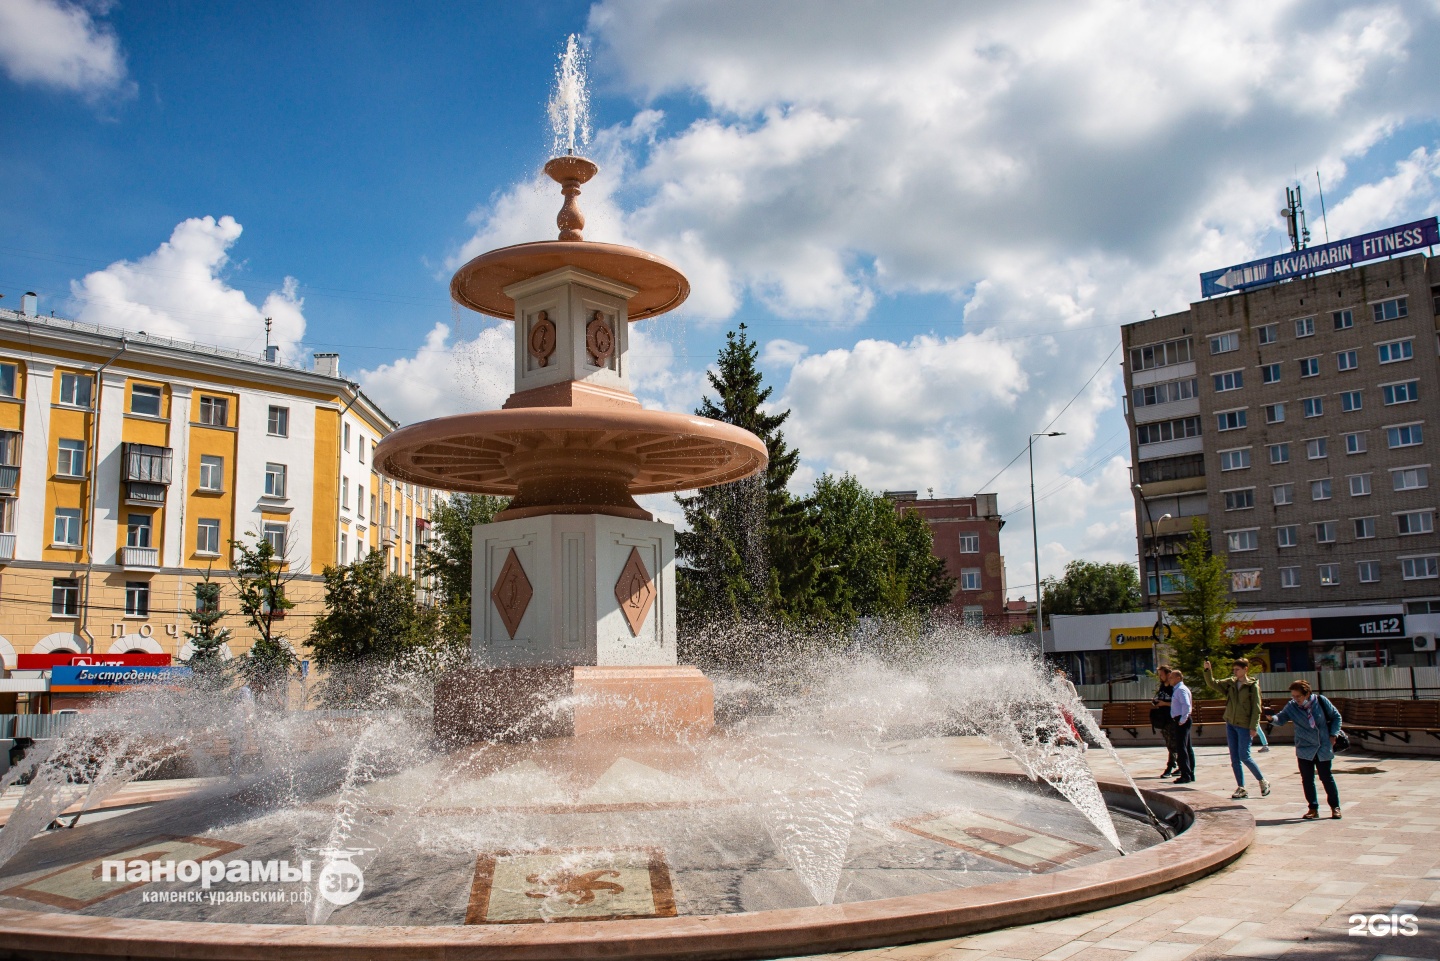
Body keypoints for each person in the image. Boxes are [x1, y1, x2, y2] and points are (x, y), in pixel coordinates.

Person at [1264, 679, 1343, 819]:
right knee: (1307, 779)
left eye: (1298, 696)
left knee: (1326, 777)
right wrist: (1271, 718)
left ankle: (1335, 807)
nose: (1295, 699)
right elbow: (1281, 719)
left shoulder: (1321, 701)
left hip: (1322, 746)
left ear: (1307, 694)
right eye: (1293, 696)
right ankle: (1313, 808)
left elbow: (1336, 717)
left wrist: (1333, 734)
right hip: (1304, 747)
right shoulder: (1292, 706)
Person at [1204, 657, 1270, 799]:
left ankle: (1262, 781)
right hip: (1231, 723)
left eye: (1237, 669)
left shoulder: (1252, 686)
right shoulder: (1231, 683)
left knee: (1244, 756)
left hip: (1244, 725)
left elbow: (1256, 709)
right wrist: (1208, 670)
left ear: (1245, 669)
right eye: (1234, 669)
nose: (1235, 672)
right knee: (1234, 758)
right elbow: (1213, 683)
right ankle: (1241, 787)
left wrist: (1253, 726)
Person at [1151, 665, 1178, 777]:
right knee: (1169, 743)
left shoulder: (1174, 688)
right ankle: (1179, 764)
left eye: (1162, 674)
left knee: (1173, 743)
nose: (1160, 677)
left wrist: (1164, 703)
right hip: (1163, 718)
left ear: (1168, 675)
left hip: (1172, 718)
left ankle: (1171, 766)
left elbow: (1177, 703)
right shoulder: (1162, 687)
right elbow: (1160, 697)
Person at [1169, 669, 1195, 783]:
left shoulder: (1180, 689)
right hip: (1181, 719)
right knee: (1187, 747)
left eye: (1172, 677)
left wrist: (1183, 719)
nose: (1170, 679)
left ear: (1178, 678)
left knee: (1182, 747)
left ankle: (1185, 774)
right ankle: (1190, 773)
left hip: (1181, 720)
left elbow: (1186, 704)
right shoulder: (1178, 689)